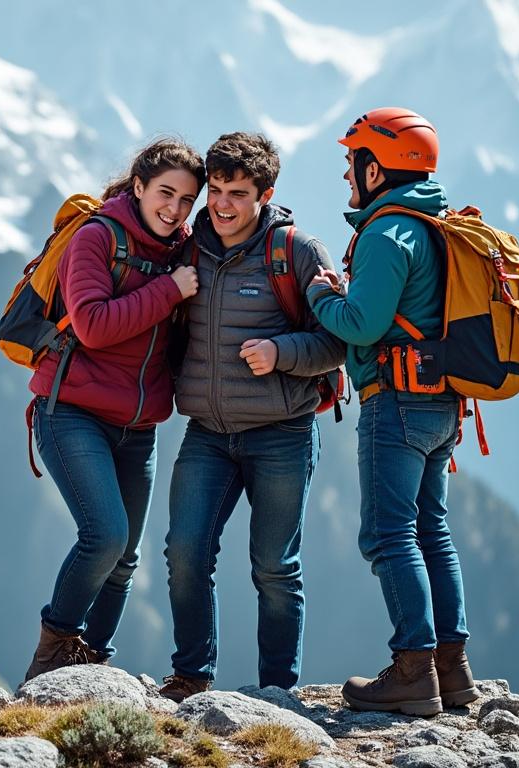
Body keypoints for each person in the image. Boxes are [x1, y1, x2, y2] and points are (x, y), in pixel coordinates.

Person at [162, 133, 345, 700]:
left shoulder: (297, 252)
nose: (220, 204)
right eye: (214, 190)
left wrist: (281, 354)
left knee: (274, 569)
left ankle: (277, 695)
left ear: (266, 193)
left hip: (283, 434)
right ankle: (192, 677)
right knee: (185, 553)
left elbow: (339, 343)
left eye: (237, 193)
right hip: (208, 434)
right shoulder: (189, 250)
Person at [307, 108, 477, 716]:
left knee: (387, 534)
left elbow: (362, 322)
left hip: (396, 405)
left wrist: (321, 294)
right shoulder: (433, 222)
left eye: (352, 161)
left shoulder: (385, 233)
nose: (346, 174)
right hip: (442, 406)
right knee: (433, 530)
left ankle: (412, 670)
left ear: (375, 168)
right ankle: (451, 670)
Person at [23, 138, 204, 681]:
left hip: (139, 425)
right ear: (139, 186)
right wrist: (169, 291)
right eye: (165, 193)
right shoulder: (95, 237)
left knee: (125, 559)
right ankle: (50, 657)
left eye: (187, 200)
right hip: (71, 411)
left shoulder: (182, 248)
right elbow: (93, 326)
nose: (174, 208)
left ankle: (91, 667)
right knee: (104, 536)